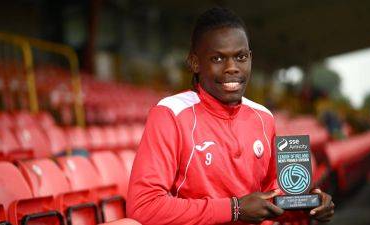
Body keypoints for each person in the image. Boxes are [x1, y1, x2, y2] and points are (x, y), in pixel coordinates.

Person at [127, 7, 334, 224]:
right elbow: (143, 207)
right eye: (217, 58)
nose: (232, 68)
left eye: (241, 57)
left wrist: (308, 204)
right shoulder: (170, 114)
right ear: (195, 63)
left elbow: (272, 201)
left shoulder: (264, 118)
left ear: (250, 59)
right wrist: (234, 209)